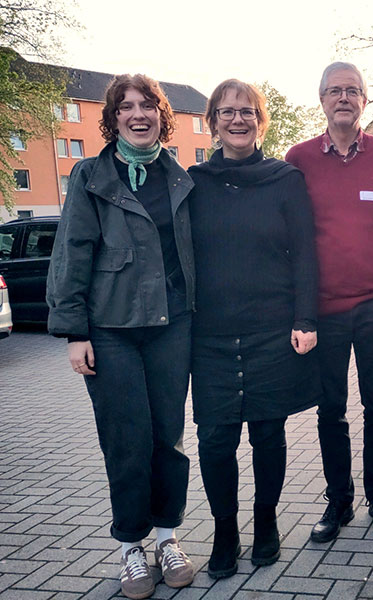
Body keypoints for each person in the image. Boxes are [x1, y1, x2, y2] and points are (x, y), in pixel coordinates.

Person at [46, 74, 195, 599]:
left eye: (148, 105)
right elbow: (71, 253)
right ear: (113, 119)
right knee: (126, 441)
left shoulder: (179, 176)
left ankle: (168, 537)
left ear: (161, 115)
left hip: (172, 326)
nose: (138, 114)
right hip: (110, 331)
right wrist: (73, 331)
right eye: (126, 107)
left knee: (168, 438)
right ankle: (131, 546)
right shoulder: (91, 175)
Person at [188, 79, 320, 578]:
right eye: (227, 112)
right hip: (211, 335)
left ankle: (266, 521)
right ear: (213, 122)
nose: (237, 120)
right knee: (215, 439)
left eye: (247, 112)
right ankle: (225, 530)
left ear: (260, 121)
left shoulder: (285, 179)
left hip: (271, 329)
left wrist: (305, 318)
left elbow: (305, 254)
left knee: (268, 433)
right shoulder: (193, 183)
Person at [285, 62, 373, 542]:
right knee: (330, 409)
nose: (343, 98)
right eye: (335, 90)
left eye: (352, 90)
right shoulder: (298, 158)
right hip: (324, 308)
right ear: (321, 99)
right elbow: (293, 234)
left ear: (364, 100)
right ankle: (339, 501)